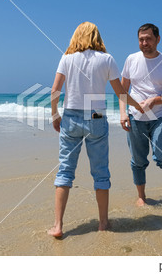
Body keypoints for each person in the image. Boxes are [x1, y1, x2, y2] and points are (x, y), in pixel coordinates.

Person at [48, 21, 143, 238]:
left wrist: (55, 115)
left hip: (71, 115)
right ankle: (103, 223)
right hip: (96, 115)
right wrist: (138, 106)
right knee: (100, 171)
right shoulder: (107, 59)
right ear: (97, 37)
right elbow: (121, 93)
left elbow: (55, 90)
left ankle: (58, 226)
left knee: (65, 170)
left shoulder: (66, 58)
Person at [119, 23, 162, 213]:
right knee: (138, 161)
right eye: (141, 39)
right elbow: (122, 91)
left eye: (148, 38)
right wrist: (123, 113)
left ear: (158, 39)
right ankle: (141, 196)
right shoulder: (131, 59)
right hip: (135, 117)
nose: (144, 42)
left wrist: (154, 100)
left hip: (160, 116)